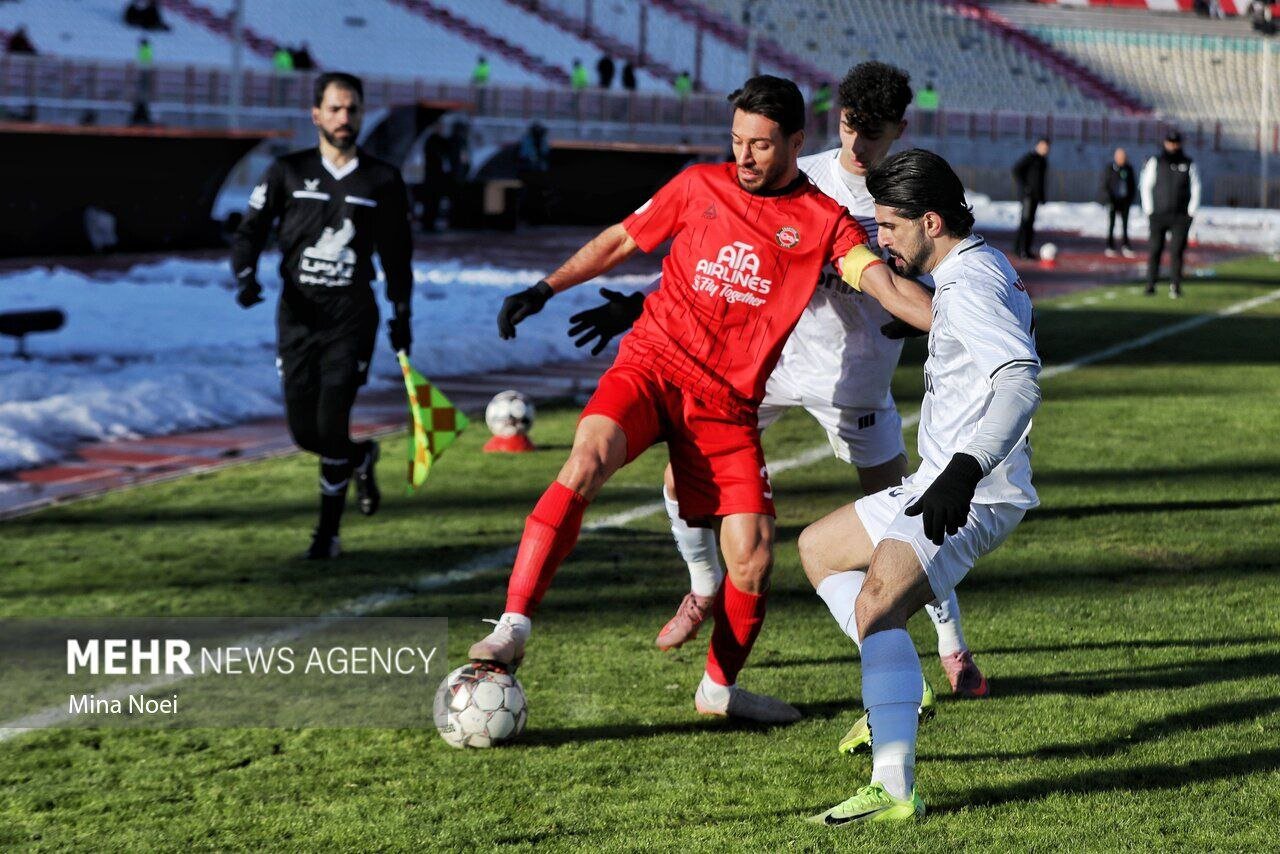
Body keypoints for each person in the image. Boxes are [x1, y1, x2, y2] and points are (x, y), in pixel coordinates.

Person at [466, 75, 933, 724]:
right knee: (587, 458)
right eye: (737, 140)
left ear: (796, 142)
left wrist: (956, 321)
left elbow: (879, 283)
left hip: (727, 403)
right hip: (652, 367)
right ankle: (513, 625)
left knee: (755, 556)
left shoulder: (823, 221)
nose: (744, 156)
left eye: (760, 145)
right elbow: (621, 239)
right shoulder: (697, 185)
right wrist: (545, 288)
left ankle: (717, 690)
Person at [571, 61, 991, 705]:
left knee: (912, 519)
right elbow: (716, 247)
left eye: (874, 133)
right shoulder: (803, 177)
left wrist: (932, 312)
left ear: (899, 131)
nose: (858, 144)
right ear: (835, 119)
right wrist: (639, 301)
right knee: (681, 478)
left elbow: (949, 271)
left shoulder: (911, 193)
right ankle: (703, 586)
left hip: (857, 383)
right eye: (849, 126)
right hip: (769, 368)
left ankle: (952, 645)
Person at [806, 148, 1040, 825]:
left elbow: (1019, 380)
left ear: (930, 222)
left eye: (889, 225)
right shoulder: (974, 267)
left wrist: (964, 473)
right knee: (819, 549)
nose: (880, 238)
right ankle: (896, 683)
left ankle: (894, 784)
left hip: (973, 491)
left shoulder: (968, 287)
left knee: (878, 606)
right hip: (937, 479)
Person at [230, 72, 414, 559]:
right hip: (297, 317)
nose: (344, 118)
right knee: (305, 433)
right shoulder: (286, 171)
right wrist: (245, 276)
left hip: (351, 319)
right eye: (334, 109)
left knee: (331, 424)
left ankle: (326, 535)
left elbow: (398, 253)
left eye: (352, 109)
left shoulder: (383, 179)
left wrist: (402, 312)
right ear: (316, 114)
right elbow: (250, 230)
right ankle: (361, 455)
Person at [1141, 131, 1201, 299]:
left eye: (1176, 143)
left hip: (1180, 215)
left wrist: (1191, 212)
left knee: (1177, 251)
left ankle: (1175, 285)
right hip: (1158, 214)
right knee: (1155, 249)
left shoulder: (1188, 163)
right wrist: (1149, 210)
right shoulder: (1156, 162)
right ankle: (1151, 284)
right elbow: (1146, 185)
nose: (1173, 146)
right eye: (1170, 142)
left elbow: (1196, 188)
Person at [1012, 138, 1049, 259]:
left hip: (1036, 197)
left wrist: (1042, 196)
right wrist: (1025, 187)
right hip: (1028, 197)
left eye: (1047, 148)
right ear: (1038, 145)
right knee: (1025, 222)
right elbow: (1016, 170)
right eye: (1043, 146)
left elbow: (1041, 181)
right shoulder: (1030, 157)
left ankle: (1026, 249)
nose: (1045, 149)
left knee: (1030, 223)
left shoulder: (1043, 161)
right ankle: (1020, 250)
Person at [1101, 147, 1136, 258]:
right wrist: (1108, 199)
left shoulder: (1128, 169)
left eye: (1123, 157)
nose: (1122, 159)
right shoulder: (1110, 168)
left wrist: (1130, 198)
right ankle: (1110, 245)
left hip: (1124, 201)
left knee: (1125, 225)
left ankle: (1126, 245)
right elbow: (1105, 184)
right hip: (1113, 201)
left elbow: (1132, 185)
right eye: (1120, 157)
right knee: (1111, 224)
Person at [136, 38, 155, 104]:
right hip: (145, 67)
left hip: (144, 67)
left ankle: (144, 93)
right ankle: (144, 92)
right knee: (144, 81)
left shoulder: (145, 49)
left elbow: (145, 58)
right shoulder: (147, 48)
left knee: (144, 81)